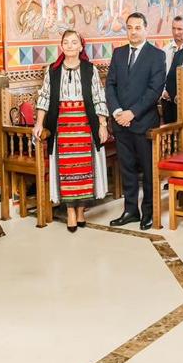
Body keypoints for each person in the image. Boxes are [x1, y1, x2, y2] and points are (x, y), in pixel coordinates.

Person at [33, 31, 110, 231]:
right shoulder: (53, 70)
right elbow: (45, 98)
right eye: (65, 42)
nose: (69, 45)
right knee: (66, 168)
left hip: (85, 124)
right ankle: (69, 211)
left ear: (80, 47)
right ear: (61, 46)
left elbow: (98, 96)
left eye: (74, 42)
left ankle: (82, 209)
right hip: (62, 126)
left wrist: (102, 124)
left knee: (84, 168)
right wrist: (39, 123)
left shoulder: (89, 69)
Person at [105, 12, 167, 229]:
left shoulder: (157, 55)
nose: (133, 31)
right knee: (127, 169)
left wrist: (132, 113)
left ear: (146, 29)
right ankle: (131, 210)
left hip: (143, 123)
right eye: (130, 27)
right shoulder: (119, 53)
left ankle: (148, 212)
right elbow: (110, 84)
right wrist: (117, 111)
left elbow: (154, 90)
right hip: (121, 123)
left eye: (138, 27)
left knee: (148, 172)